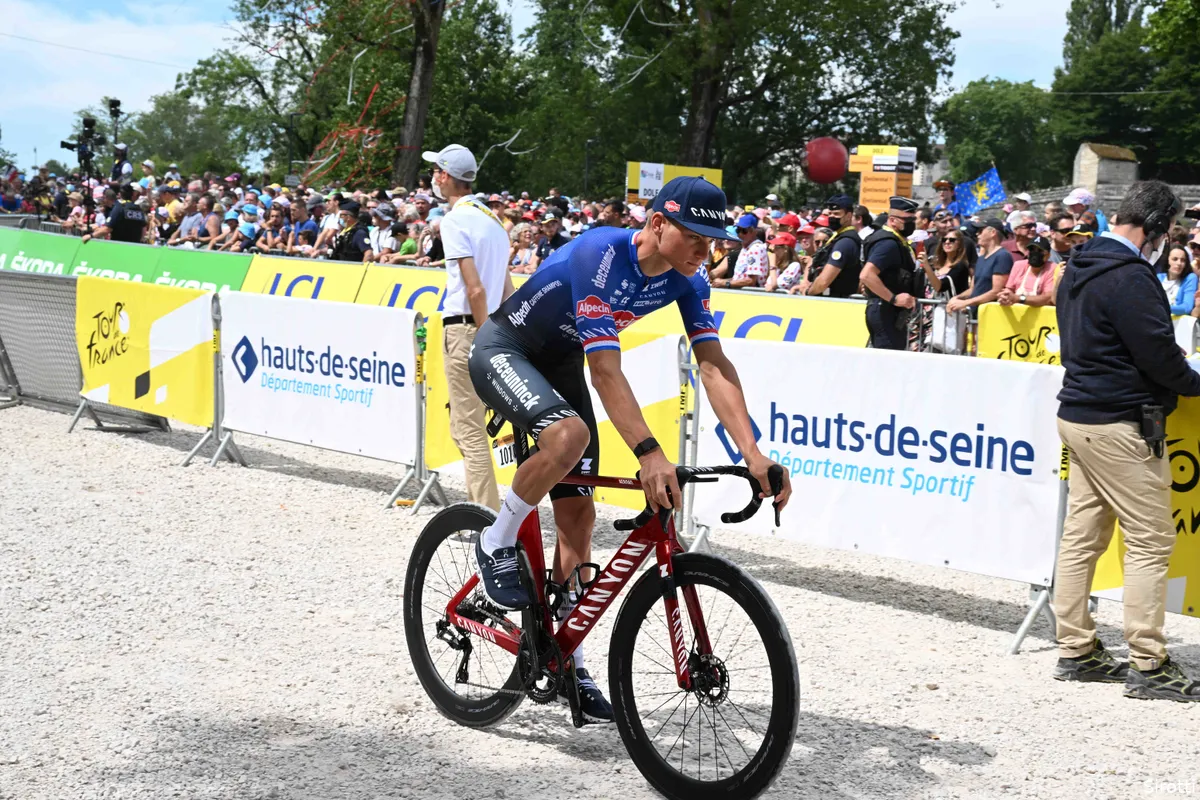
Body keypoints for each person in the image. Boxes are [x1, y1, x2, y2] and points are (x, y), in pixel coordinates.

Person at [469, 176, 792, 723]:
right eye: (696, 237)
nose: (705, 253)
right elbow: (606, 370)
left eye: (714, 243)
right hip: (508, 349)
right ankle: (495, 538)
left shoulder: (690, 279)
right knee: (569, 437)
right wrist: (648, 450)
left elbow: (711, 365)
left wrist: (753, 452)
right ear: (658, 223)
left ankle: (565, 662)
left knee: (577, 515)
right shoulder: (601, 254)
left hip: (560, 360)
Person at [1052, 180, 1200, 701]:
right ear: (1157, 230)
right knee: (1152, 539)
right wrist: (1193, 382)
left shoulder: (1078, 263)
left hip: (1080, 412)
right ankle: (1149, 661)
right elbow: (1158, 354)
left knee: (1082, 536)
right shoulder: (1131, 277)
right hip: (1118, 420)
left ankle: (1075, 647)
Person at [424, 143, 511, 513]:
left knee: (469, 429)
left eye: (435, 172)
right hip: (491, 325)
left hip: (466, 328)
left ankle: (485, 516)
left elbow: (474, 287)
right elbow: (507, 290)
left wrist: (484, 335)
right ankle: (489, 511)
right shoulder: (493, 221)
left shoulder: (456, 220)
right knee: (473, 428)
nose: (432, 179)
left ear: (445, 176)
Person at [860, 196, 920, 349]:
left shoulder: (895, 241)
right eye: (907, 219)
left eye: (913, 218)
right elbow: (867, 275)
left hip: (887, 310)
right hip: (885, 310)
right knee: (888, 364)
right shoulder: (888, 244)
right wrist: (893, 299)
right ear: (893, 220)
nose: (912, 223)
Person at [797, 194, 862, 298]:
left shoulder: (845, 242)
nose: (832, 217)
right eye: (830, 214)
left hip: (836, 301)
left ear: (849, 216)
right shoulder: (837, 237)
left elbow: (824, 281)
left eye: (836, 214)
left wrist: (808, 292)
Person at [947, 219, 1013, 316]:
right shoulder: (981, 258)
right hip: (975, 315)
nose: (977, 234)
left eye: (980, 231)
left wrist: (966, 303)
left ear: (992, 232)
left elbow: (996, 291)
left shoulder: (1002, 256)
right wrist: (957, 298)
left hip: (990, 316)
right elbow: (973, 289)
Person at [713, 213, 768, 289]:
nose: (740, 234)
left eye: (744, 231)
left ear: (754, 232)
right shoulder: (746, 248)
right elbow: (739, 278)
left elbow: (751, 281)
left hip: (751, 295)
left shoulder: (756, 248)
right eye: (738, 230)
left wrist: (725, 283)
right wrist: (721, 282)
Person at [999, 236, 1058, 307]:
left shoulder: (1053, 268)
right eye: (1032, 250)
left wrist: (1018, 298)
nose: (1035, 254)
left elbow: (1047, 298)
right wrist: (1005, 297)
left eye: (1040, 251)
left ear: (1048, 255)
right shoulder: (1018, 265)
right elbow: (1009, 289)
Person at [80, 182, 146, 244]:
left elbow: (107, 229)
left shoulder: (120, 207)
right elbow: (143, 229)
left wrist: (91, 236)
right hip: (135, 248)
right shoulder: (139, 209)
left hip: (119, 247)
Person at [1157, 244, 1197, 316]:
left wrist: (1163, 308)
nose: (1179, 263)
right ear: (1167, 260)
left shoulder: (1190, 278)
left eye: (1183, 260)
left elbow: (1187, 307)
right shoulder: (1158, 277)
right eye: (1175, 259)